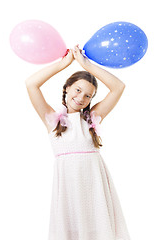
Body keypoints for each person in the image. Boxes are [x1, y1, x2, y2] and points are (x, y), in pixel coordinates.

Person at [25, 45, 131, 240]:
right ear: (67, 88)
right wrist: (63, 64)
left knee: (98, 229)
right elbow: (31, 84)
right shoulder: (52, 120)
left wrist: (86, 65)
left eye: (88, 95)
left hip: (94, 187)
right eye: (78, 90)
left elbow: (118, 87)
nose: (81, 97)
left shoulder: (91, 119)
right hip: (68, 190)